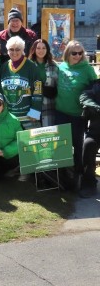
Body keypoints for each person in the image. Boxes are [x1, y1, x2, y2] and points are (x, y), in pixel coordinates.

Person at [55, 40, 97, 179]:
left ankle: (78, 170)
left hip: (77, 114)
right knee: (62, 143)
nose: (77, 56)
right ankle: (63, 171)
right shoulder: (61, 67)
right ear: (68, 53)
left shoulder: (87, 69)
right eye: (74, 53)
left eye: (80, 53)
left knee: (77, 143)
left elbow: (95, 89)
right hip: (61, 111)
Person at [0, 36, 42, 129]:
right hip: (8, 117)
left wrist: (35, 111)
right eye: (11, 49)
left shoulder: (31, 66)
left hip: (28, 117)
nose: (14, 52)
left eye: (17, 49)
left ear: (22, 50)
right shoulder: (4, 67)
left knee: (27, 142)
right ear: (7, 50)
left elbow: (38, 90)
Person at [28, 39, 58, 126]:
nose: (41, 51)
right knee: (34, 135)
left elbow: (58, 85)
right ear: (34, 49)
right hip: (32, 106)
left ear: (47, 50)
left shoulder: (54, 66)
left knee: (48, 134)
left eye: (44, 48)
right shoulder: (28, 65)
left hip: (49, 105)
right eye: (38, 48)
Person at [79, 80, 100, 198]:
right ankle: (89, 184)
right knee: (88, 145)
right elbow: (84, 96)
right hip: (96, 130)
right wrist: (96, 107)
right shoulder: (95, 85)